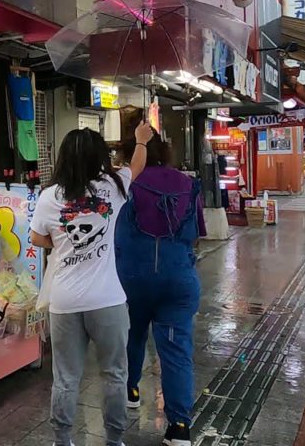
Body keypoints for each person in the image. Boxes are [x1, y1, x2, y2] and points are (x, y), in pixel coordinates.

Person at [30, 122, 153, 446]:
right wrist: (141, 140)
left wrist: (61, 243)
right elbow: (137, 165)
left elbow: (36, 236)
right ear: (99, 155)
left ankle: (62, 440)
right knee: (114, 375)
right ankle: (114, 440)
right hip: (108, 300)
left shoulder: (49, 196)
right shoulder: (112, 186)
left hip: (64, 302)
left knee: (66, 378)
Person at [114, 134, 205, 446]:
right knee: (176, 350)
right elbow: (196, 235)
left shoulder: (128, 185)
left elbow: (118, 236)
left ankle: (132, 390)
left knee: (134, 334)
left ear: (132, 155)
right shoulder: (189, 185)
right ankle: (179, 427)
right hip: (178, 280)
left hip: (134, 278)